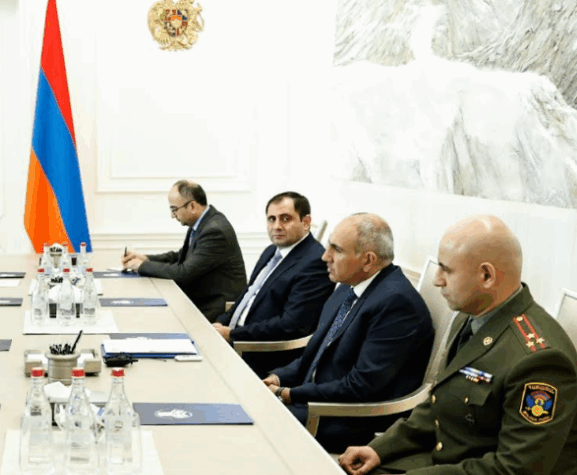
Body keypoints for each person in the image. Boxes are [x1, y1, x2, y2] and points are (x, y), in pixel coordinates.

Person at [339, 216, 577, 475]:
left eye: (447, 270)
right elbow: (437, 405)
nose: (437, 280)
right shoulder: (474, 317)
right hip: (454, 470)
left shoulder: (538, 359)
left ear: (486, 276)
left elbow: (515, 473)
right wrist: (380, 449)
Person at [264, 213, 434, 452]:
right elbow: (317, 353)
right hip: (318, 402)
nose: (325, 256)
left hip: (349, 418)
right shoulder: (349, 286)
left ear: (368, 260)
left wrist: (290, 393)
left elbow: (361, 386)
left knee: (259, 421)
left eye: (336, 250)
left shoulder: (396, 304)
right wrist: (279, 378)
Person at [213, 192, 333, 375]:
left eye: (286, 219)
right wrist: (218, 324)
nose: (277, 226)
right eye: (271, 219)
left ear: (306, 222)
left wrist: (232, 335)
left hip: (262, 355)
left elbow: (290, 325)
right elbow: (247, 297)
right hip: (235, 342)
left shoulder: (315, 262)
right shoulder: (272, 251)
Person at [120, 180, 247, 321]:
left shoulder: (214, 230)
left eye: (174, 209)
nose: (172, 215)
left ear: (192, 206)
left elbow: (183, 273)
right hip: (200, 302)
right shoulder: (203, 223)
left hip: (215, 311)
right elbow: (181, 256)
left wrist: (141, 266)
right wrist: (146, 258)